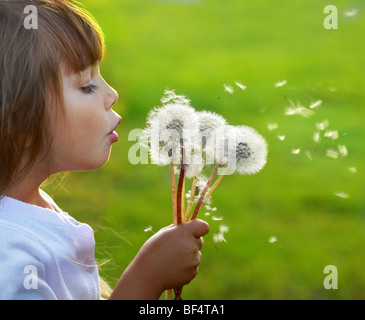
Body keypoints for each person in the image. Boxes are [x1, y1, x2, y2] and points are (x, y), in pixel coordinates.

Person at [0, 0, 209, 300]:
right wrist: (146, 277)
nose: (112, 94)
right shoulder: (10, 261)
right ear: (20, 123)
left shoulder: (30, 204)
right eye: (86, 85)